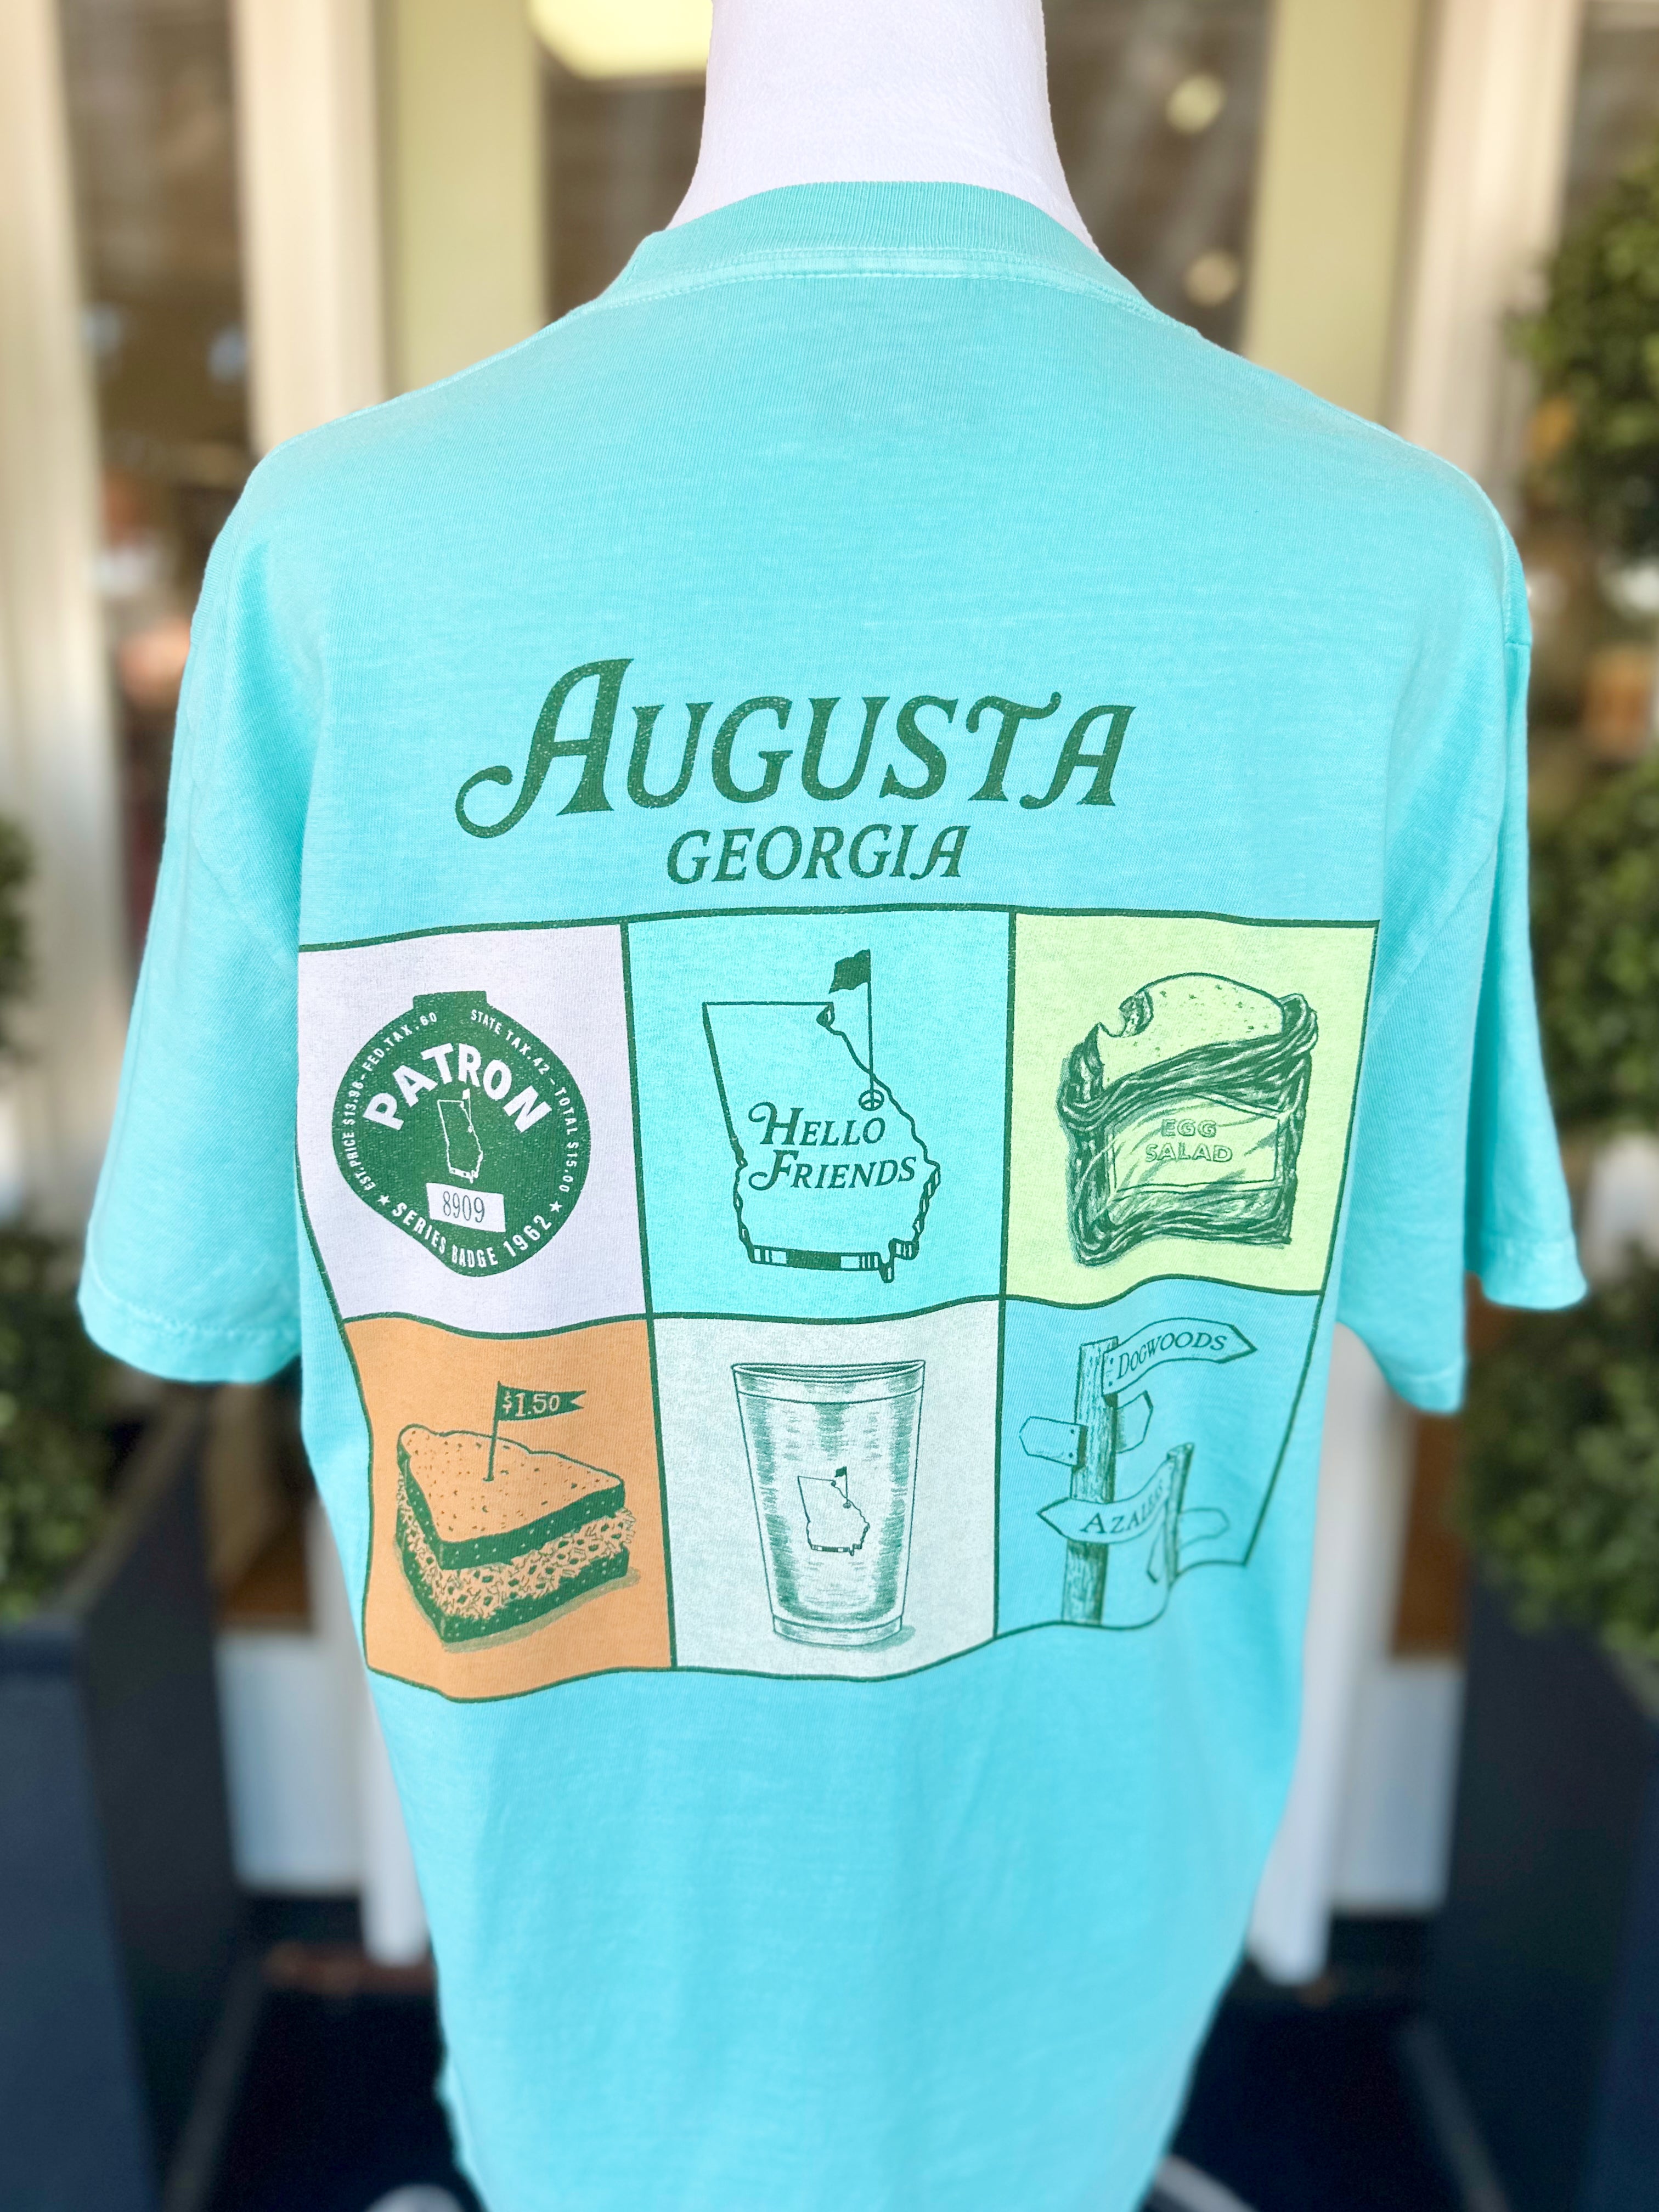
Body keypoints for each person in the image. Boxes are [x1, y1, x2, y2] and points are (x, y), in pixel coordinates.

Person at [82, 4, 1583, 2207]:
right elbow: (1420, 1282)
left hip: (930, 1998)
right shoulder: (327, 570)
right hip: (767, 1986)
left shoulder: (1411, 582)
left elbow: (204, 1296)